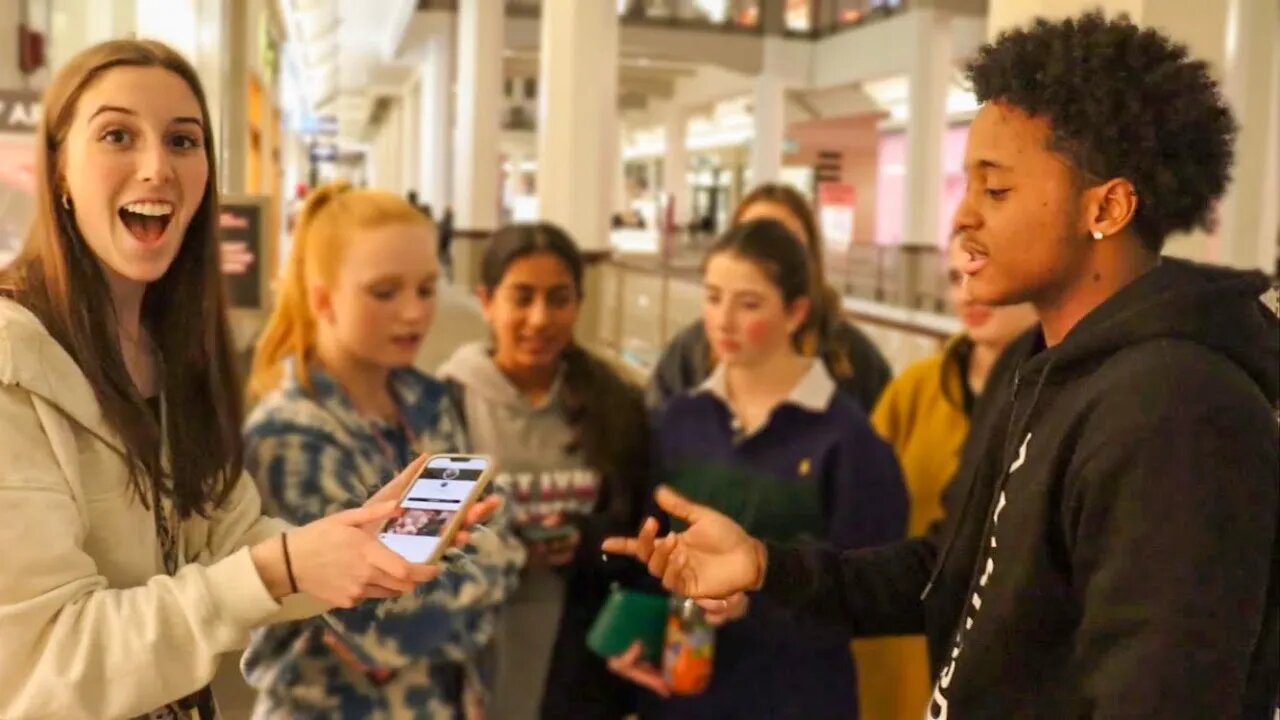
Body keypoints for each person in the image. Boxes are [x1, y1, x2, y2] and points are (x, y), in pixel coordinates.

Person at [606, 13, 1280, 719]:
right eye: (968, 186)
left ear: (1106, 207)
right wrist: (765, 566)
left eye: (996, 190)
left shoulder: (1179, 410)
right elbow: (950, 573)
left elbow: (1158, 692)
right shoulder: (1039, 366)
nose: (961, 218)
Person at [0, 39, 491, 719]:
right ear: (58, 167)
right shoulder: (14, 364)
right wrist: (282, 567)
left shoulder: (172, 353)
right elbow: (41, 665)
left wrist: (353, 545)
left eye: (183, 140)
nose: (157, 167)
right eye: (117, 135)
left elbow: (228, 542)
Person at [241, 182, 524, 718]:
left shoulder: (426, 401)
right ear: (324, 300)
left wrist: (456, 570)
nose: (414, 313)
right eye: (385, 292)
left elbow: (499, 525)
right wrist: (488, 572)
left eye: (426, 289)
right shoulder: (291, 437)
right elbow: (380, 627)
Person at [608, 219, 908, 719]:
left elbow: (871, 590)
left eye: (748, 304)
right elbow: (650, 548)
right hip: (684, 695)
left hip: (797, 700)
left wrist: (756, 598)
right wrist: (635, 633)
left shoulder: (849, 441)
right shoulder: (679, 421)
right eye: (712, 297)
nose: (723, 321)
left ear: (796, 312)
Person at [438, 222, 651, 719]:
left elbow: (638, 538)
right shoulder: (447, 405)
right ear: (487, 301)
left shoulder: (616, 406)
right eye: (522, 298)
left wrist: (586, 543)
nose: (540, 319)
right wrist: (502, 547)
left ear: (579, 303)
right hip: (471, 660)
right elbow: (419, 548)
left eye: (558, 299)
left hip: (578, 666)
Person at [853, 237, 1036, 719]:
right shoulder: (915, 391)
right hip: (909, 655)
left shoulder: (1075, 402)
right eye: (956, 278)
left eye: (982, 270)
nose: (967, 293)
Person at [648, 184, 892, 414]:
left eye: (786, 244)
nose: (764, 257)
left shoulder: (855, 360)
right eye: (751, 239)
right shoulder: (689, 354)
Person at [439, 206, 455, 282]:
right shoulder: (448, 223)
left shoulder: (444, 222)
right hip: (446, 243)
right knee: (447, 261)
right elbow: (445, 234)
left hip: (445, 244)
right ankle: (449, 276)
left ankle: (448, 276)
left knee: (446, 261)